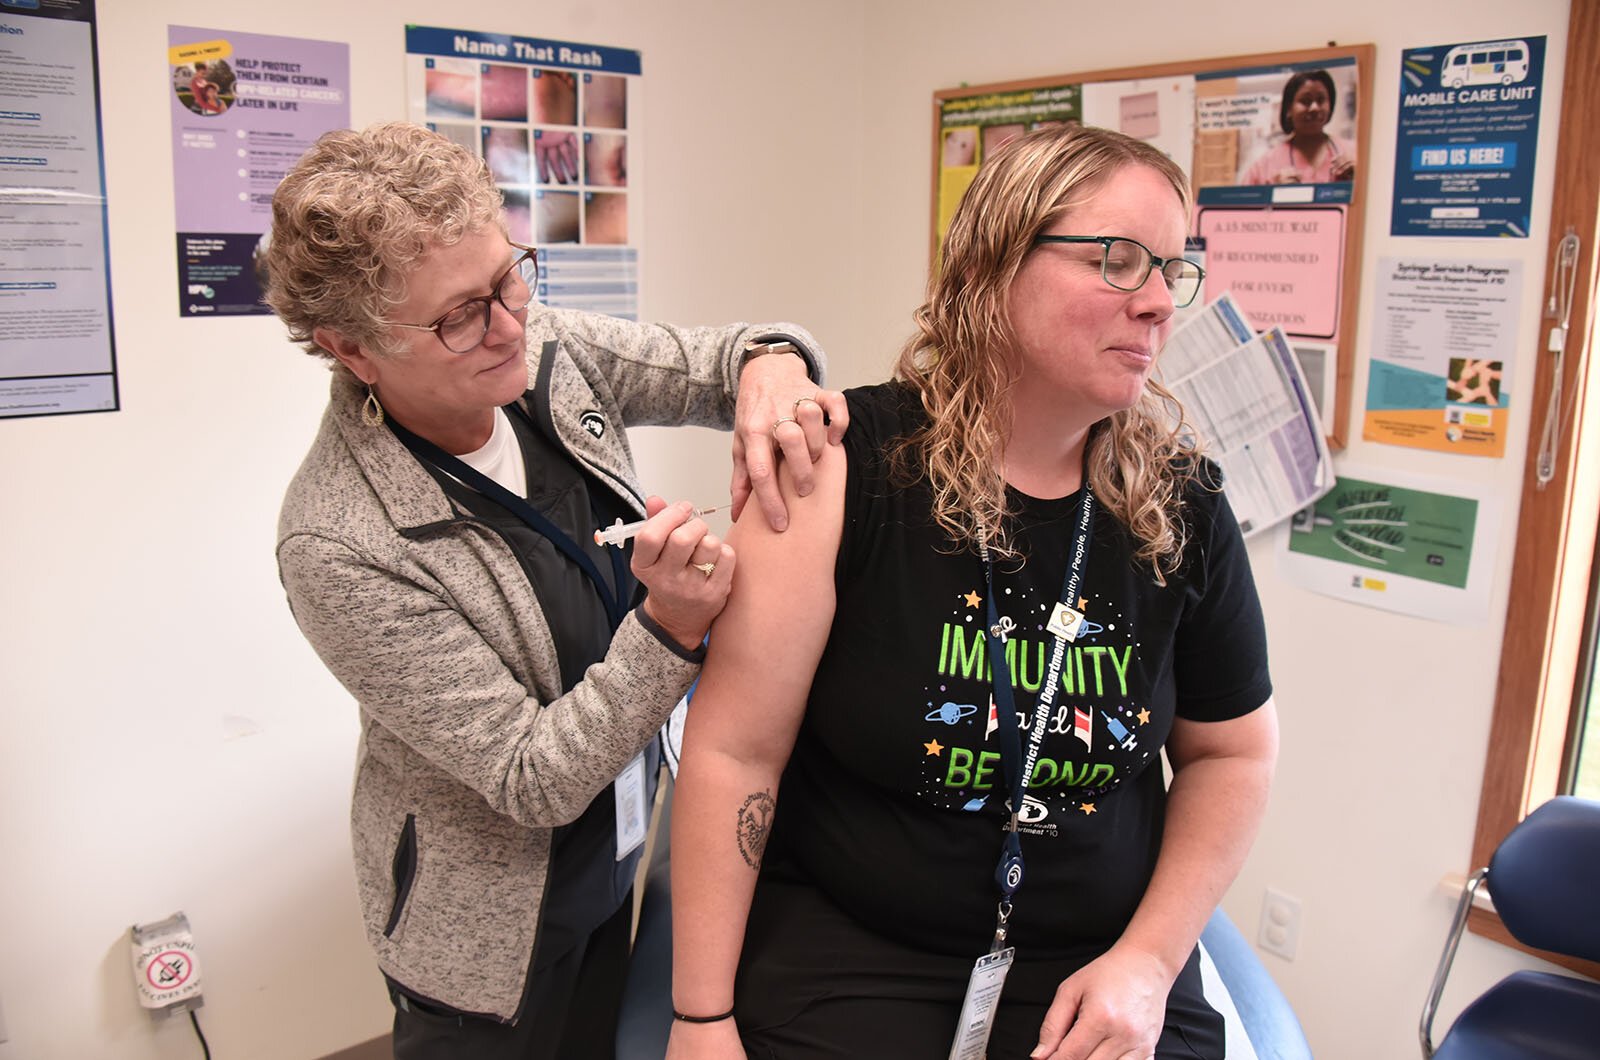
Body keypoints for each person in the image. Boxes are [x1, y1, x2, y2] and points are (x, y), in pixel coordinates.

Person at [668, 123, 1278, 1060]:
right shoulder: (842, 468)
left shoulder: (1181, 504)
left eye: (1172, 267)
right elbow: (735, 755)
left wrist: (1149, 963)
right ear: (993, 268)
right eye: (1118, 261)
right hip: (860, 953)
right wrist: (700, 1021)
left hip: (1096, 964)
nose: (1159, 303)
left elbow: (1232, 754)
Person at [265, 120, 847, 1060]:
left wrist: (773, 365)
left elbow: (733, 355)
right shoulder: (340, 540)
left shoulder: (544, 353)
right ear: (354, 350)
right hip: (485, 937)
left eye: (510, 277)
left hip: (615, 852)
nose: (508, 326)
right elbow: (531, 778)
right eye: (459, 314)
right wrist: (671, 625)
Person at [1241, 69, 1355, 185]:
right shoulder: (1263, 166)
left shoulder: (1354, 153)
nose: (1315, 108)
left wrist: (1359, 177)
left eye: (1321, 100)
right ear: (1288, 109)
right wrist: (1270, 194)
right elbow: (1241, 202)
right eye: (1306, 101)